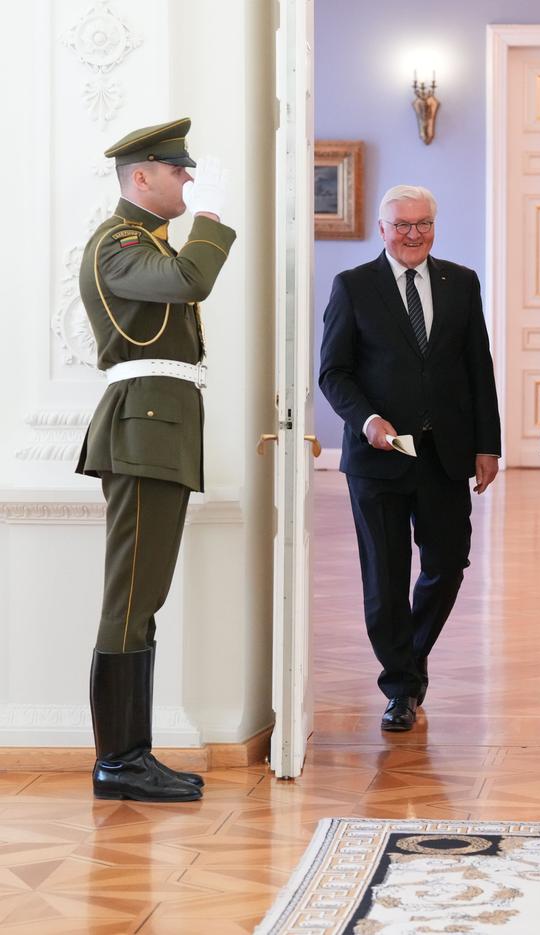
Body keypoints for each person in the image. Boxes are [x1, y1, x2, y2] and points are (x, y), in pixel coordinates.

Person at [75, 118, 235, 802]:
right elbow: (192, 279)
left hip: (158, 433)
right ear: (142, 177)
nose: (189, 179)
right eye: (178, 170)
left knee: (144, 596)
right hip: (141, 435)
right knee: (131, 598)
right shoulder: (118, 245)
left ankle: (132, 754)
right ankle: (119, 760)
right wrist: (214, 221)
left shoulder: (144, 244)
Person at [319, 185, 501, 732]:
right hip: (378, 458)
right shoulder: (352, 287)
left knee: (448, 565)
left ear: (434, 227)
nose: (413, 234)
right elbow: (334, 372)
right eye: (402, 225)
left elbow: (479, 369)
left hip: (443, 456)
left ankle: (411, 654)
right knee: (385, 577)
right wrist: (368, 420)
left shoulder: (461, 283)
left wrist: (487, 444)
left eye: (423, 224)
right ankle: (399, 686)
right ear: (382, 229)